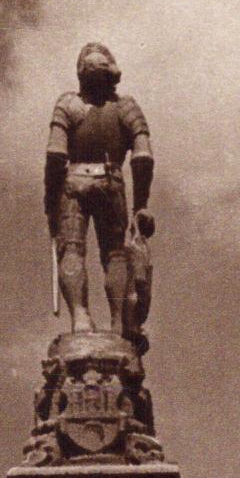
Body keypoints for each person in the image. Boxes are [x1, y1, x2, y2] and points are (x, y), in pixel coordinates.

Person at [44, 43, 154, 338]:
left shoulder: (67, 104)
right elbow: (143, 156)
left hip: (73, 184)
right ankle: (119, 321)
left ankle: (80, 318)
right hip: (111, 183)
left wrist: (51, 202)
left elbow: (55, 154)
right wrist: (141, 205)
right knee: (115, 255)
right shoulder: (126, 107)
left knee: (72, 249)